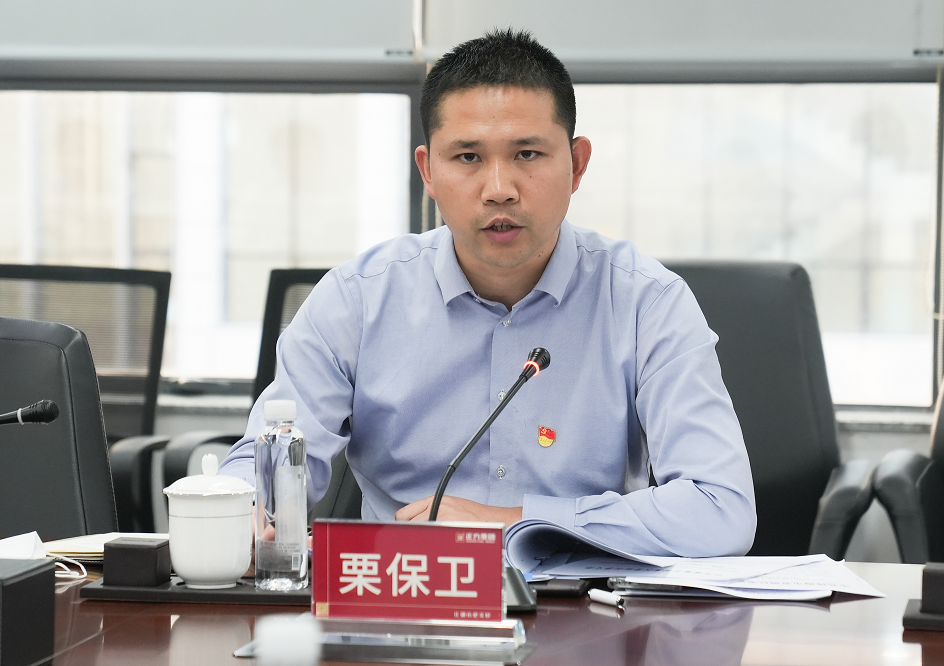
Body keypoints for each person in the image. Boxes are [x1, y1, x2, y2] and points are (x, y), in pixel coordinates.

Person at [220, 28, 755, 557]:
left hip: (585, 599)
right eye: (468, 158)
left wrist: (515, 522)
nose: (499, 189)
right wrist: (240, 510)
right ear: (429, 171)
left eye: (527, 154)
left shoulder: (647, 303)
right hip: (407, 593)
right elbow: (269, 466)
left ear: (577, 164)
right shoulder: (355, 301)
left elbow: (721, 510)